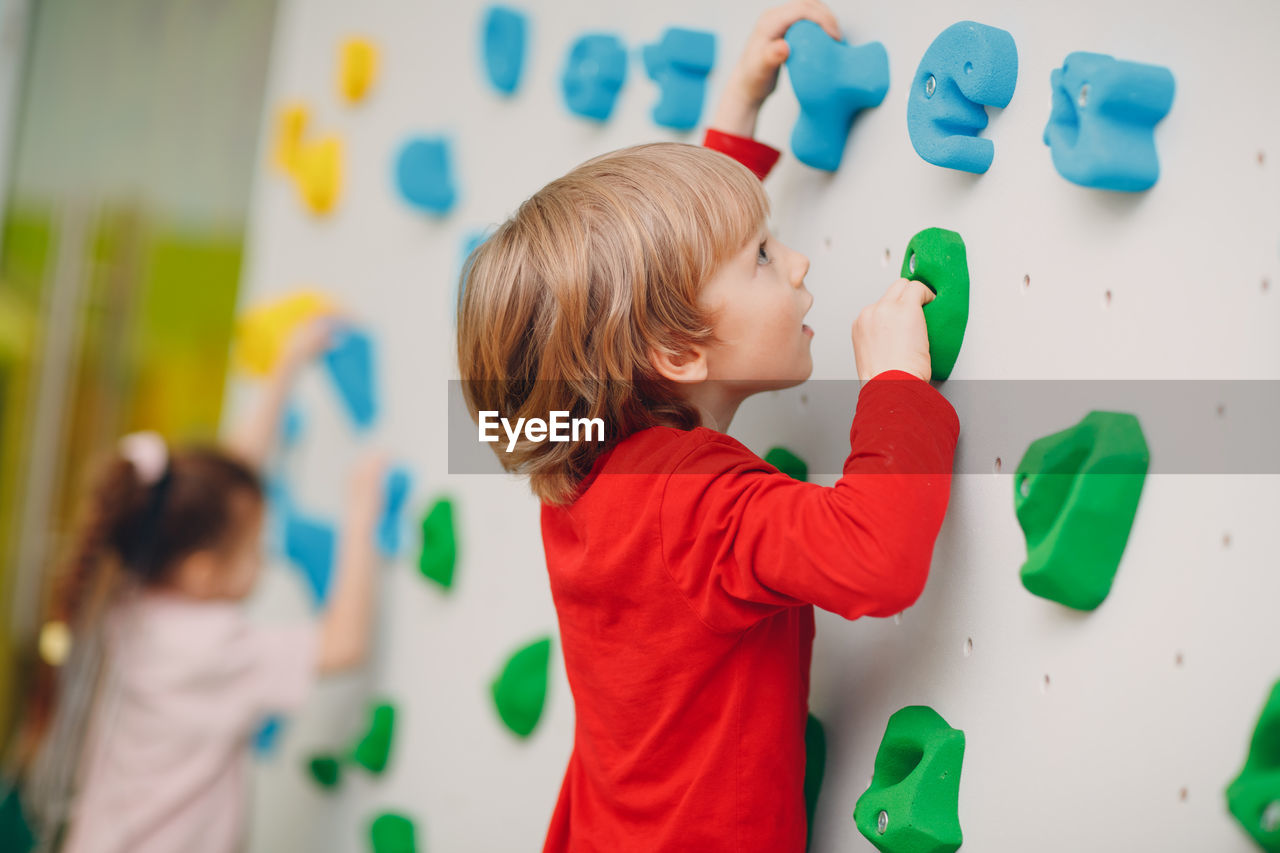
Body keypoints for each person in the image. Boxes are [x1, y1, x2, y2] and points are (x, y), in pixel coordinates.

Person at [456, 1, 961, 850]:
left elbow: (673, 281)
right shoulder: (697, 504)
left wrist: (737, 113)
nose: (797, 263)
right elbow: (875, 560)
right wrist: (897, 383)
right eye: (765, 257)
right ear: (676, 349)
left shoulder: (585, 458)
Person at [21, 318, 384, 853]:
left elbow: (228, 490)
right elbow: (342, 645)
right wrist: (361, 514)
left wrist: (286, 367)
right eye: (254, 549)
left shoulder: (130, 594)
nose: (262, 562)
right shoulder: (209, 648)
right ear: (201, 571)